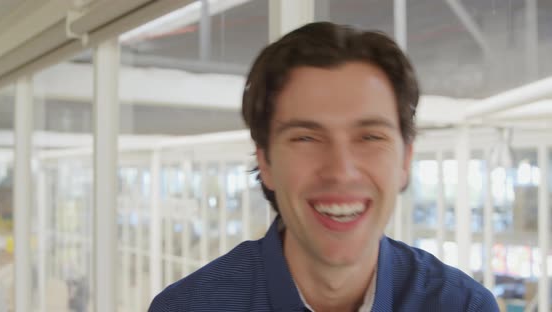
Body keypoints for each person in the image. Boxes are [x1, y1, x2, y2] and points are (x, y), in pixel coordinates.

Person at [149, 21, 499, 312]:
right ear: (265, 161)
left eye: (370, 137)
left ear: (405, 160)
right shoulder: (189, 307)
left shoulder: (462, 305)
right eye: (306, 138)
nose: (341, 171)